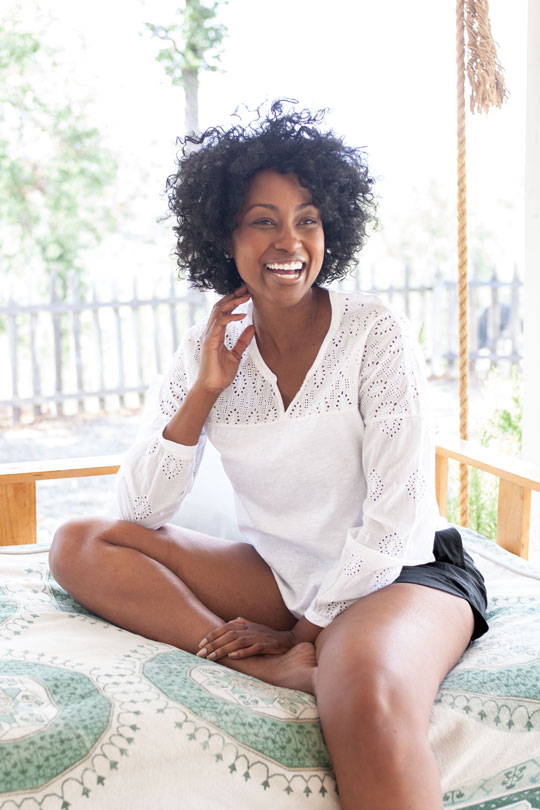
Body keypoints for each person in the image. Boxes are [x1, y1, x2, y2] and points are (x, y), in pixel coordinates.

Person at [49, 100, 489, 810]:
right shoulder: (210, 344)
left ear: (328, 229)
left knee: (366, 698)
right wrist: (204, 391)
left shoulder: (374, 331)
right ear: (224, 234)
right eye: (264, 220)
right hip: (282, 572)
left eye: (307, 219)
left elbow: (396, 515)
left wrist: (305, 629)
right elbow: (139, 512)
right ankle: (266, 666)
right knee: (80, 541)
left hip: (400, 572)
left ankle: (299, 655)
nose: (290, 240)